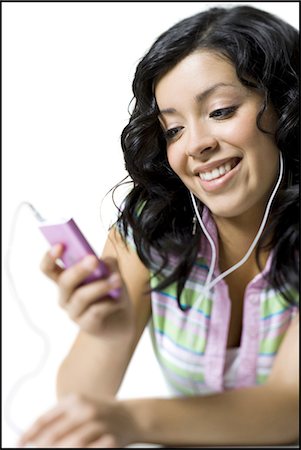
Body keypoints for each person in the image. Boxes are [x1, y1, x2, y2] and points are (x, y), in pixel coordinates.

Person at [19, 5, 299, 448]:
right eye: (172, 129)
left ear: (286, 108)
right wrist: (105, 332)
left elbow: (290, 407)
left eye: (221, 111)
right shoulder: (148, 233)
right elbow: (83, 407)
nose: (196, 144)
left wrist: (135, 420)